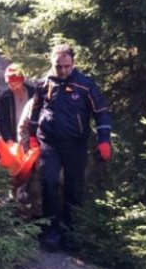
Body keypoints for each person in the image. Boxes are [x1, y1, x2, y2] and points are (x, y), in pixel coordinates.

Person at [28, 44, 112, 251]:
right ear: (52, 63)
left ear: (73, 63)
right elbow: (36, 110)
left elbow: (101, 112)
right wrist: (31, 137)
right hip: (49, 142)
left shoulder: (85, 85)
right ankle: (52, 230)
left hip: (75, 144)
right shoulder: (43, 83)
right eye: (58, 66)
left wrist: (104, 140)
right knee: (49, 183)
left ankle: (70, 232)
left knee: (74, 188)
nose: (63, 70)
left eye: (66, 66)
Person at [0, 64, 35, 143]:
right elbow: (3, 122)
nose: (12, 87)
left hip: (32, 139)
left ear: (21, 81)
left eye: (15, 84)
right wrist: (8, 139)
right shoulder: (5, 98)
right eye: (9, 84)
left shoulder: (33, 93)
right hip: (14, 140)